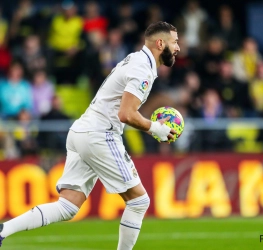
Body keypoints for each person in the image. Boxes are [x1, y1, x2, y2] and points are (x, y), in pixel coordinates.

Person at [0, 21, 180, 250]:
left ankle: (3, 231)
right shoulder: (142, 68)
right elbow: (126, 114)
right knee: (139, 201)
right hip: (100, 134)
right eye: (175, 42)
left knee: (67, 207)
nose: (178, 48)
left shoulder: (136, 60)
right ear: (160, 43)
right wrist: (157, 128)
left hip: (81, 131)